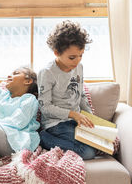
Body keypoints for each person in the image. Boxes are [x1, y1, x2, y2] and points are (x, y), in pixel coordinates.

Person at [37, 20, 96, 160]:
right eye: (72, 57)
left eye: (81, 55)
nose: (77, 61)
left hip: (75, 121)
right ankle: (42, 138)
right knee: (88, 152)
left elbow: (80, 94)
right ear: (57, 52)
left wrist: (91, 117)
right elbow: (45, 107)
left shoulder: (79, 67)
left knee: (102, 145)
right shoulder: (47, 73)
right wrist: (73, 114)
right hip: (55, 124)